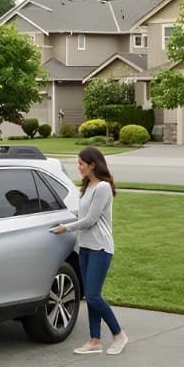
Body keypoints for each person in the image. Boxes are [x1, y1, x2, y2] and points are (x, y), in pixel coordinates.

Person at [51, 146, 124, 355]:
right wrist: (61, 214)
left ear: (92, 165)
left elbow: (91, 220)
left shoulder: (103, 187)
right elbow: (83, 212)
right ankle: (94, 341)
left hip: (100, 248)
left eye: (81, 164)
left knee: (93, 296)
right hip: (85, 248)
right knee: (91, 296)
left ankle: (119, 335)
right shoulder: (87, 186)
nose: (79, 167)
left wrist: (66, 228)